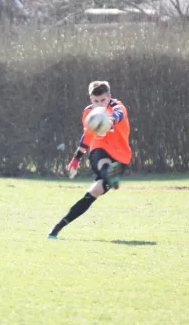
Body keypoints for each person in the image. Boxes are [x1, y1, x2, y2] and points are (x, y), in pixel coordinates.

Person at [48, 80, 132, 239]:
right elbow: (87, 136)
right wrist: (76, 158)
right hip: (99, 148)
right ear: (90, 99)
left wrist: (110, 121)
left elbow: (119, 115)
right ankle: (58, 227)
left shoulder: (117, 107)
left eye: (103, 100)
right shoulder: (88, 114)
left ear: (109, 97)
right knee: (102, 159)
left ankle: (109, 174)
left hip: (121, 155)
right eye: (96, 101)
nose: (100, 104)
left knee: (94, 191)